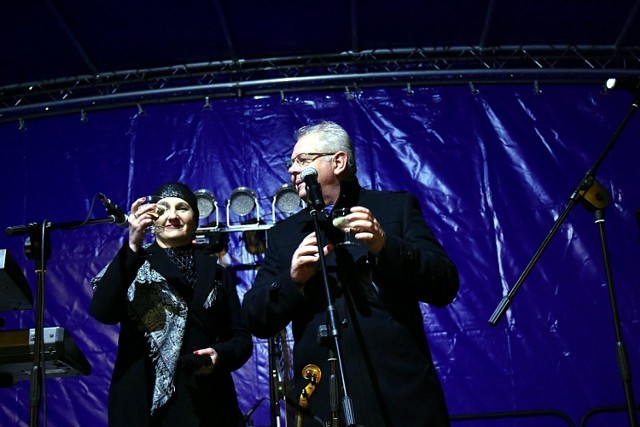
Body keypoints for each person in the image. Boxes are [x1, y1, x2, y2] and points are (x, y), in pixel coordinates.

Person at [242, 121, 459, 427]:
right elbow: (255, 317)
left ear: (339, 161)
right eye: (290, 162)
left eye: (303, 160)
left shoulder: (393, 209)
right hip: (322, 403)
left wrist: (386, 246)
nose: (292, 170)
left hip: (401, 399)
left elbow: (445, 284)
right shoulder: (283, 235)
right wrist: (294, 281)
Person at [90, 182, 253, 427]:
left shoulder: (218, 274)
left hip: (207, 403)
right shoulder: (133, 262)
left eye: (182, 208)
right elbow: (103, 311)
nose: (172, 216)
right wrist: (133, 245)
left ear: (195, 220)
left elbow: (240, 339)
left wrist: (218, 356)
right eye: (163, 209)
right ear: (150, 219)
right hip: (143, 401)